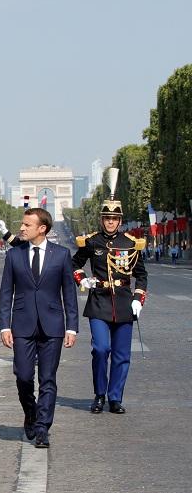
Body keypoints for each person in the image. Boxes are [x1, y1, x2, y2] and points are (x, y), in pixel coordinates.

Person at [0, 208, 79, 449]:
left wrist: (72, 327)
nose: (21, 228)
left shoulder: (62, 255)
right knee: (23, 376)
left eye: (26, 225)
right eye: (22, 224)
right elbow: (5, 293)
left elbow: (69, 293)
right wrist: (4, 326)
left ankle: (43, 427)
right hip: (22, 325)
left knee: (48, 379)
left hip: (52, 325)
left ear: (42, 228)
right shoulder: (14, 255)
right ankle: (30, 412)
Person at [71, 172, 148, 414]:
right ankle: (99, 394)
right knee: (101, 349)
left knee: (122, 355)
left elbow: (142, 275)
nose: (110, 222)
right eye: (107, 218)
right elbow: (74, 264)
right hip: (99, 302)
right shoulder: (91, 242)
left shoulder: (130, 243)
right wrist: (83, 279)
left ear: (120, 220)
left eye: (114, 218)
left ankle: (115, 398)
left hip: (124, 304)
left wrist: (138, 298)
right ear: (101, 219)